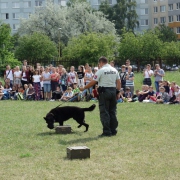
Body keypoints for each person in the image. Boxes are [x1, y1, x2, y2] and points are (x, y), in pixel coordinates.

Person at [80, 56, 121, 137]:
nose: (99, 65)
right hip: (113, 91)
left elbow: (93, 82)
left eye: (99, 64)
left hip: (104, 92)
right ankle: (113, 130)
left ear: (101, 62)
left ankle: (107, 131)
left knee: (104, 111)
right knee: (112, 111)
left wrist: (84, 87)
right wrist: (118, 91)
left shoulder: (101, 70)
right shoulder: (114, 70)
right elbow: (119, 82)